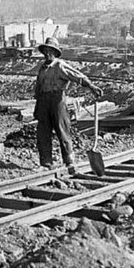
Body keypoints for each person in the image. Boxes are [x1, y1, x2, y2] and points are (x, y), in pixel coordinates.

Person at [33, 37, 103, 173]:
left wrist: (92, 87)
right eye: (45, 51)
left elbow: (77, 76)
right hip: (43, 102)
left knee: (62, 131)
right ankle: (46, 163)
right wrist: (38, 106)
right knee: (43, 133)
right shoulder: (42, 68)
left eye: (50, 51)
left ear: (55, 52)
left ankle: (69, 161)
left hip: (57, 101)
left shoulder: (60, 65)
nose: (47, 53)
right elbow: (38, 87)